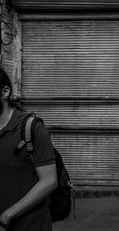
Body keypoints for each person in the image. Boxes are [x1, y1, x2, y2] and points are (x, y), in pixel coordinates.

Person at [0, 68, 57, 231]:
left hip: (29, 225)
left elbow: (49, 181)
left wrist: (7, 216)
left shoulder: (31, 128)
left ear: (5, 92)